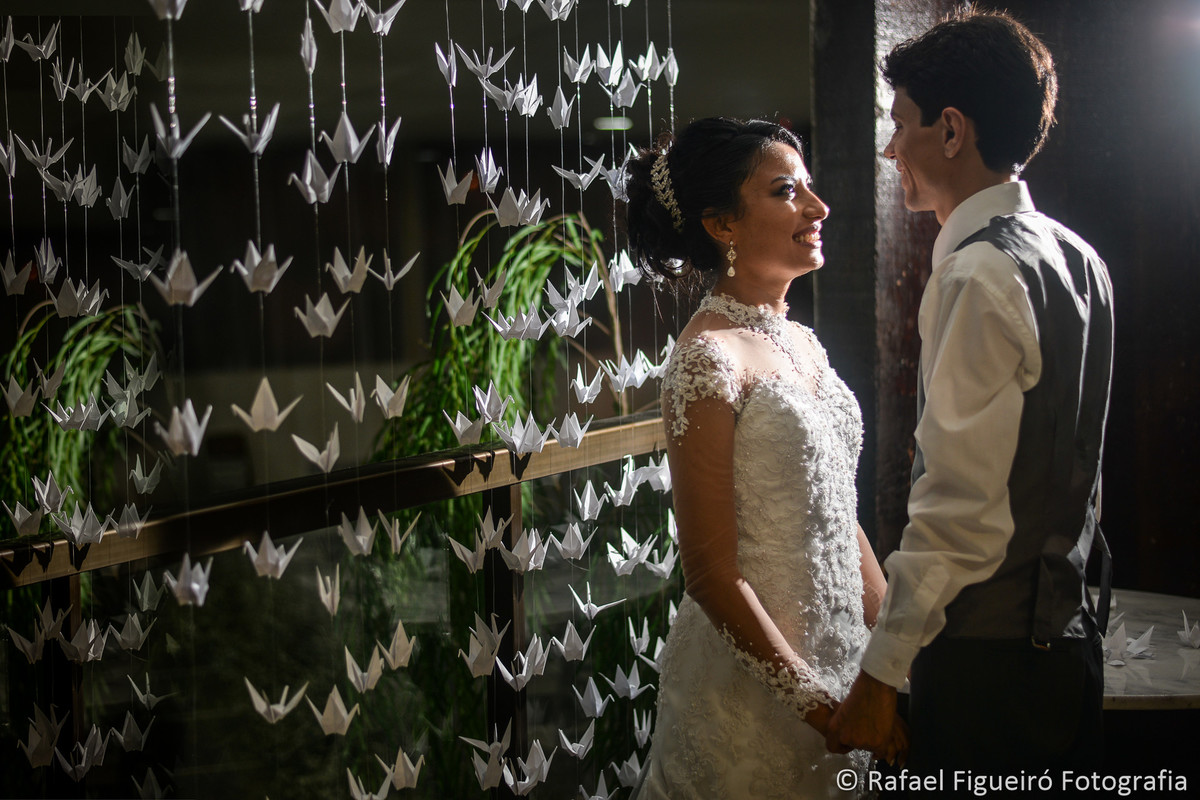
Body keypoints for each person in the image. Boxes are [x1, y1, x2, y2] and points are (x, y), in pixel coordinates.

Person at [827, 10, 1114, 780]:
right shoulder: (1080, 259)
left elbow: (958, 508)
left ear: (950, 132)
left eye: (902, 126)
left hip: (987, 673)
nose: (892, 150)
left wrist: (882, 672)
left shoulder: (977, 273)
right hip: (1068, 651)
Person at [623, 117, 904, 799]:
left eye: (809, 188)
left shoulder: (805, 345)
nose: (818, 207)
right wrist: (816, 706)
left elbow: (839, 518)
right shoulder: (705, 358)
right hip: (755, 698)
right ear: (724, 225)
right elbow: (711, 574)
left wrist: (897, 653)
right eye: (787, 192)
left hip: (852, 670)